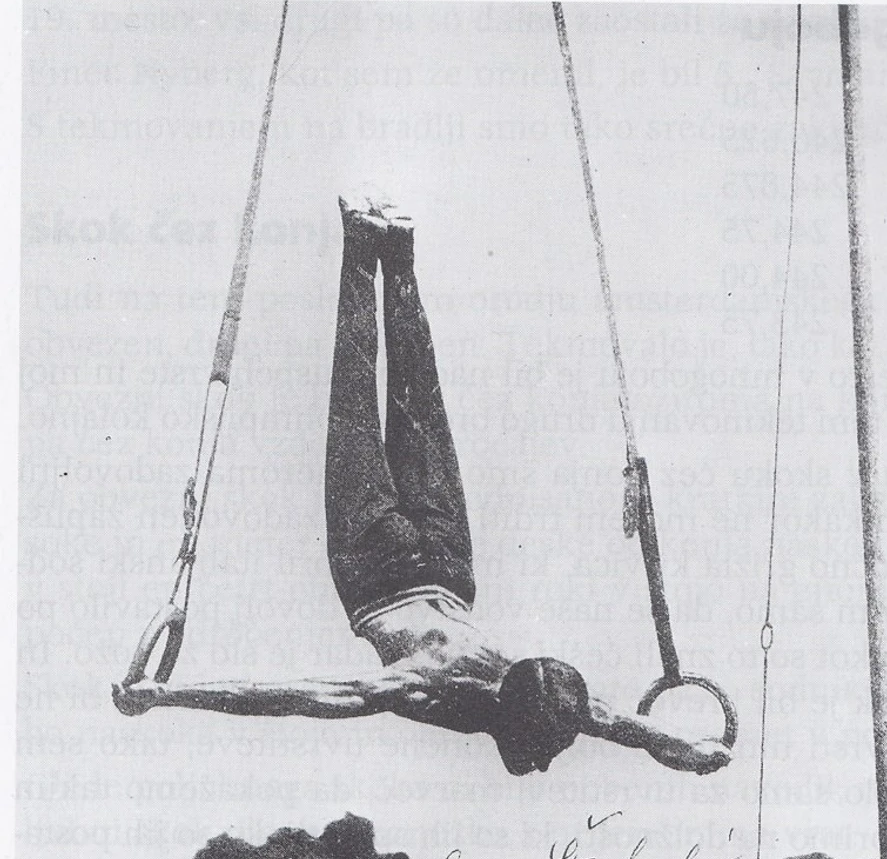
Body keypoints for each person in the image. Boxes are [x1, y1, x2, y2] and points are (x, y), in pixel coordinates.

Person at [114, 193, 731, 778]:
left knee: (411, 396)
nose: (543, 763)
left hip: (446, 564)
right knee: (370, 399)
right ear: (513, 720)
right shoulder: (429, 685)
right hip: (380, 571)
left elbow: (627, 727)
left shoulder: (543, 691)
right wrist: (167, 695)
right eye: (544, 749)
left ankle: (384, 243)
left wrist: (686, 749)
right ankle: (376, 243)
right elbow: (291, 697)